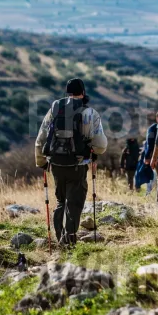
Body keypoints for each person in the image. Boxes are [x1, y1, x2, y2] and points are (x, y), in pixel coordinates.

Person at [35, 78, 107, 246]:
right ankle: (69, 239)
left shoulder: (55, 108)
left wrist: (41, 162)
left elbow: (41, 138)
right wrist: (93, 152)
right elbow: (101, 145)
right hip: (78, 165)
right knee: (74, 202)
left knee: (61, 201)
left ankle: (59, 237)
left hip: (56, 164)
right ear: (83, 93)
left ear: (67, 93)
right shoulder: (89, 113)